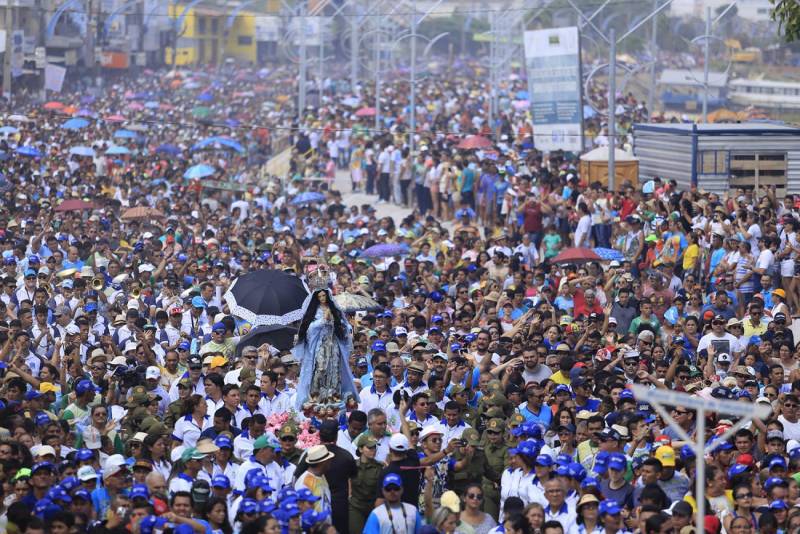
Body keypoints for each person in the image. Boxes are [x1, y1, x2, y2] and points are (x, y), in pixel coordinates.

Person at [292, 275, 360, 409]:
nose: (323, 298)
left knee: (334, 368)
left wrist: (339, 324)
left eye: (324, 296)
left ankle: (333, 393)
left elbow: (343, 326)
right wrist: (323, 320)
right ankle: (316, 394)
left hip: (333, 344)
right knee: (320, 368)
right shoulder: (314, 311)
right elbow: (309, 329)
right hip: (319, 346)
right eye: (320, 296)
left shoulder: (334, 310)